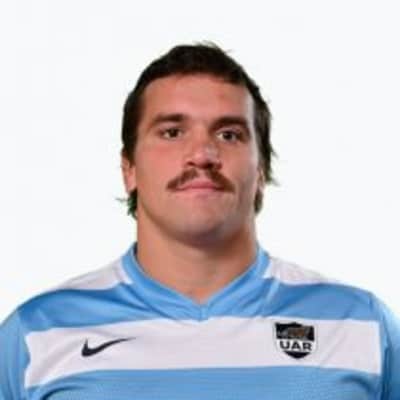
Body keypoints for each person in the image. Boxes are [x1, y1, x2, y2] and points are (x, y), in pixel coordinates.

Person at [1, 43, 399, 400]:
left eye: (229, 135)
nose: (203, 155)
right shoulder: (36, 335)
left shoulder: (360, 326)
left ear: (261, 170)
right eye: (172, 132)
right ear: (129, 169)